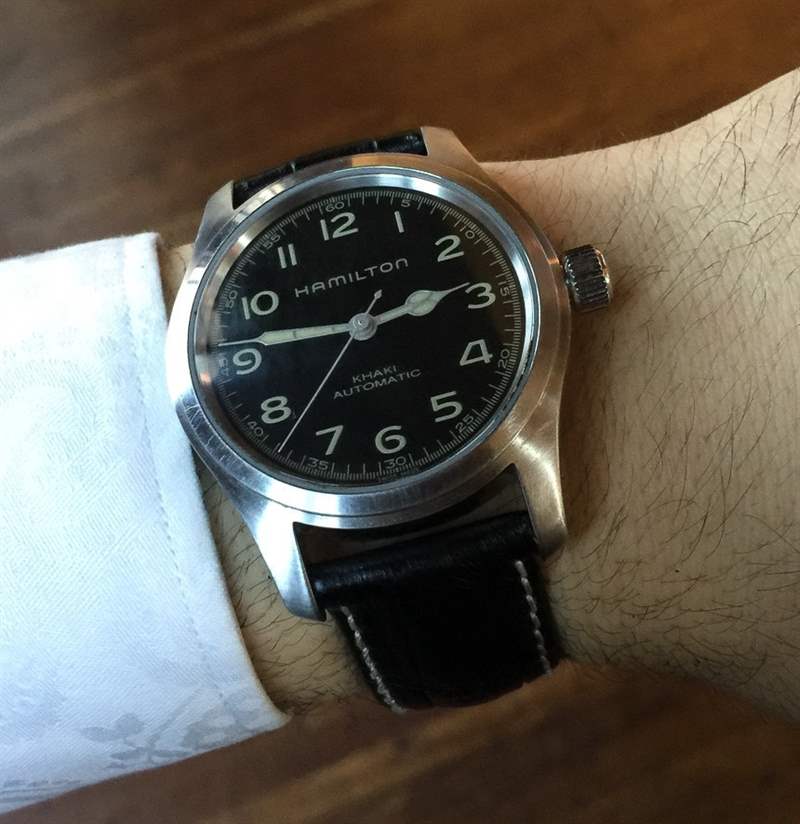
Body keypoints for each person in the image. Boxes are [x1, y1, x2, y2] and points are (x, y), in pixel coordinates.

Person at [2, 67, 799, 812]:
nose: (361, 326)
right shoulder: (244, 410)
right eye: (357, 323)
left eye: (372, 318)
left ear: (570, 279)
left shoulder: (529, 452)